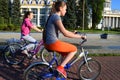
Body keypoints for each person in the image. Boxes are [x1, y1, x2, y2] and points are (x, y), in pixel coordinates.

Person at [43, 1, 86, 78]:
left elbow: (64, 30)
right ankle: (60, 68)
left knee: (65, 53)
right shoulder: (56, 17)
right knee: (74, 49)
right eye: (65, 9)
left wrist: (73, 33)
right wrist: (80, 36)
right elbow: (65, 33)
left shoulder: (53, 16)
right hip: (52, 43)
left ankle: (59, 72)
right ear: (60, 8)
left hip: (47, 42)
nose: (66, 11)